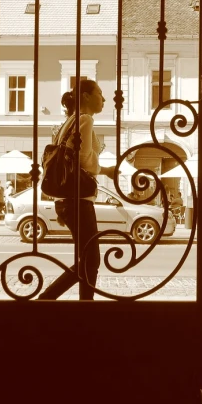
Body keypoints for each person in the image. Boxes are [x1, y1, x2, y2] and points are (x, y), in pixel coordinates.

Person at [38, 80, 116, 301]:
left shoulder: (69, 121)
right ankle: (51, 299)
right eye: (100, 93)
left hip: (68, 200)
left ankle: (76, 303)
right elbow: (83, 159)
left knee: (87, 260)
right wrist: (104, 169)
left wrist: (104, 170)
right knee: (91, 260)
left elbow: (73, 158)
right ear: (86, 96)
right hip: (79, 201)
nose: (104, 98)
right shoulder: (85, 119)